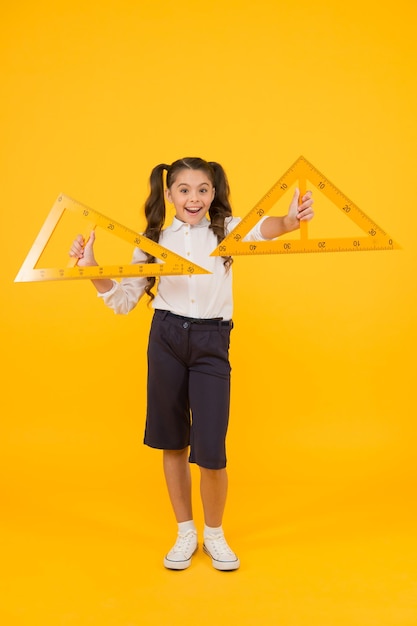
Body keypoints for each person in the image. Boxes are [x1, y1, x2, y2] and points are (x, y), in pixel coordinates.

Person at [69, 157, 314, 571]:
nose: (194, 198)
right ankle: (185, 531)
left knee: (212, 449)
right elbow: (124, 300)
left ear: (213, 193)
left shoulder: (228, 230)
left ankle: (214, 535)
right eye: (184, 190)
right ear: (169, 194)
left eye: (202, 189)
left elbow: (266, 228)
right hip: (165, 338)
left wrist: (290, 221)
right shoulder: (152, 240)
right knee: (172, 442)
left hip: (211, 341)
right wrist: (92, 269)